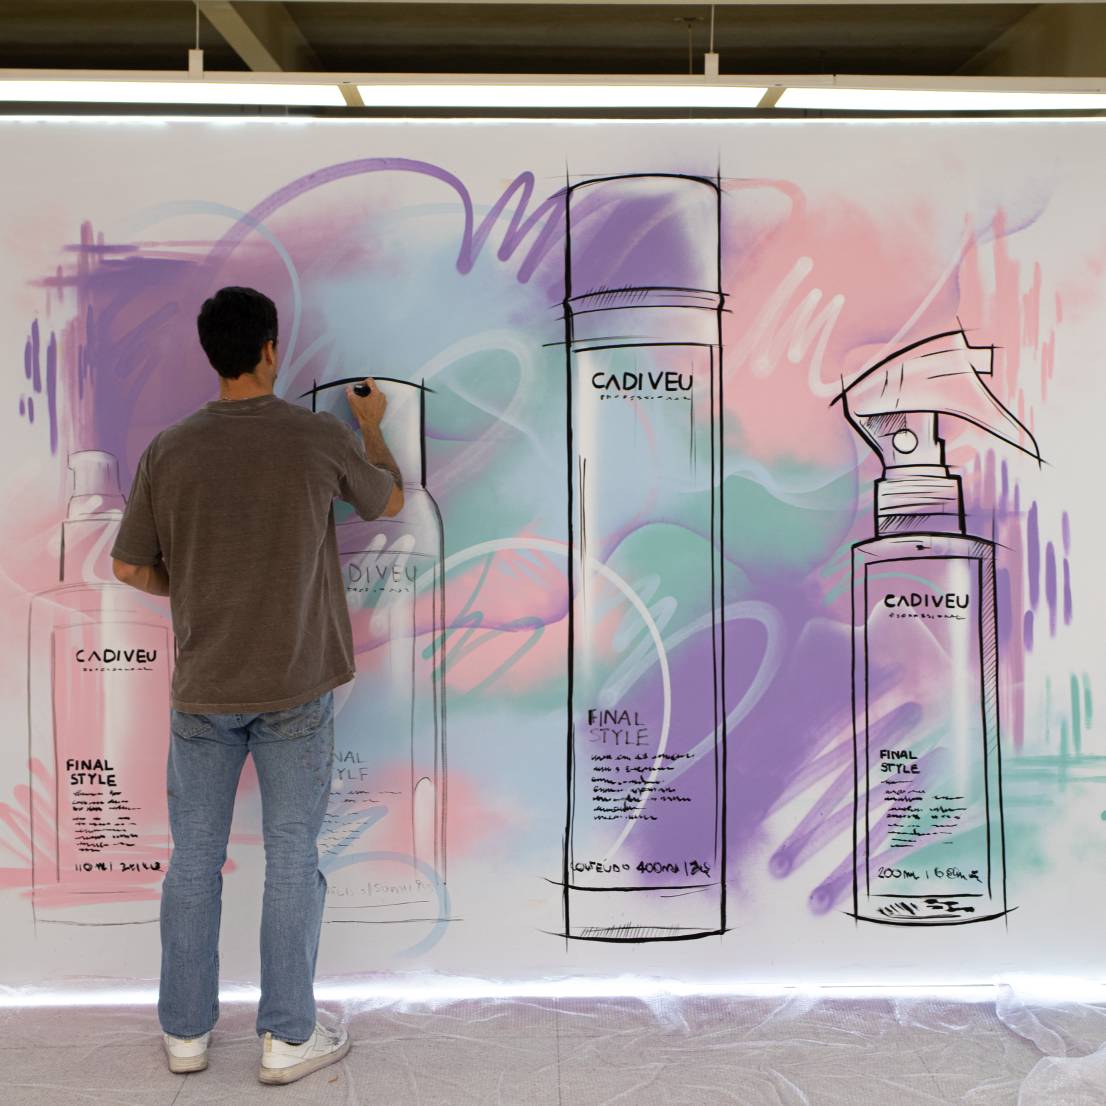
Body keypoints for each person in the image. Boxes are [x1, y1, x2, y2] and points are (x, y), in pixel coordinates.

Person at [110, 286, 403, 1085]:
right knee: (292, 858)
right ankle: (285, 1040)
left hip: (203, 691)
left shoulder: (170, 450)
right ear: (271, 349)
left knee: (193, 863)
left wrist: (198, 586)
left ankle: (185, 1036)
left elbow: (130, 567)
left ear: (213, 353)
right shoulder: (316, 438)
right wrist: (372, 428)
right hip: (296, 688)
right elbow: (388, 499)